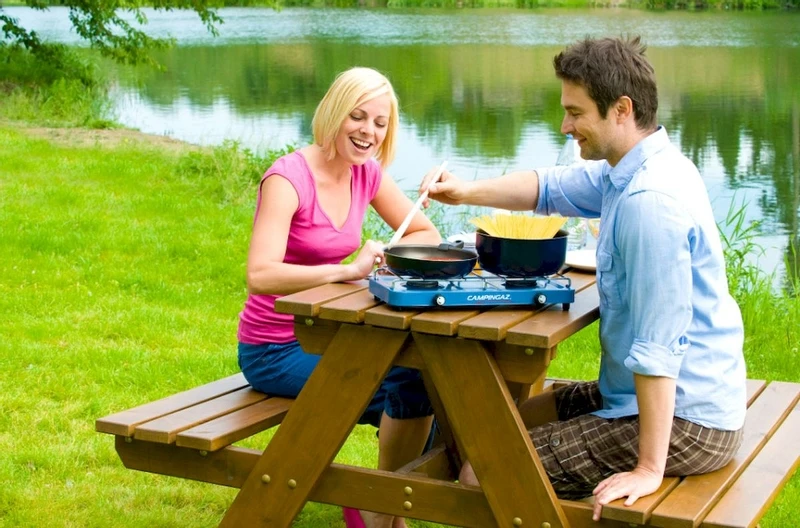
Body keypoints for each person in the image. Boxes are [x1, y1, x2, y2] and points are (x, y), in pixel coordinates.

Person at [419, 36, 746, 521]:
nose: (564, 126)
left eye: (575, 113)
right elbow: (550, 187)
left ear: (621, 109)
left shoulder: (649, 204)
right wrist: (466, 192)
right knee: (498, 424)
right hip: (641, 395)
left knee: (485, 470)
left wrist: (648, 468)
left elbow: (659, 345)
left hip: (687, 420)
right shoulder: (632, 169)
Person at [238, 67, 440, 528]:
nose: (369, 131)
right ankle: (382, 512)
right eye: (358, 117)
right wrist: (347, 271)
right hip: (274, 348)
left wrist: (387, 258)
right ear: (334, 112)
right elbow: (260, 274)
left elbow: (424, 233)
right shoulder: (287, 179)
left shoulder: (365, 173)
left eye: (380, 123)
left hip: (329, 333)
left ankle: (382, 508)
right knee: (406, 381)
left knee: (428, 376)